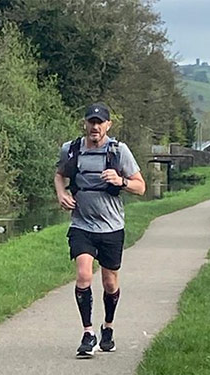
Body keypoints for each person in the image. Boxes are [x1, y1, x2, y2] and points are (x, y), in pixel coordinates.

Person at [54, 103, 146, 358]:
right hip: (81, 223)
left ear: (108, 125)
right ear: (85, 123)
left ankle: (108, 327)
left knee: (109, 282)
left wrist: (121, 181)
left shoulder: (119, 151)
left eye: (100, 122)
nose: (95, 127)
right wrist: (61, 193)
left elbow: (141, 187)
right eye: (91, 122)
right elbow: (60, 174)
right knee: (83, 275)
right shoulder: (71, 149)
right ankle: (87, 333)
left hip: (111, 226)